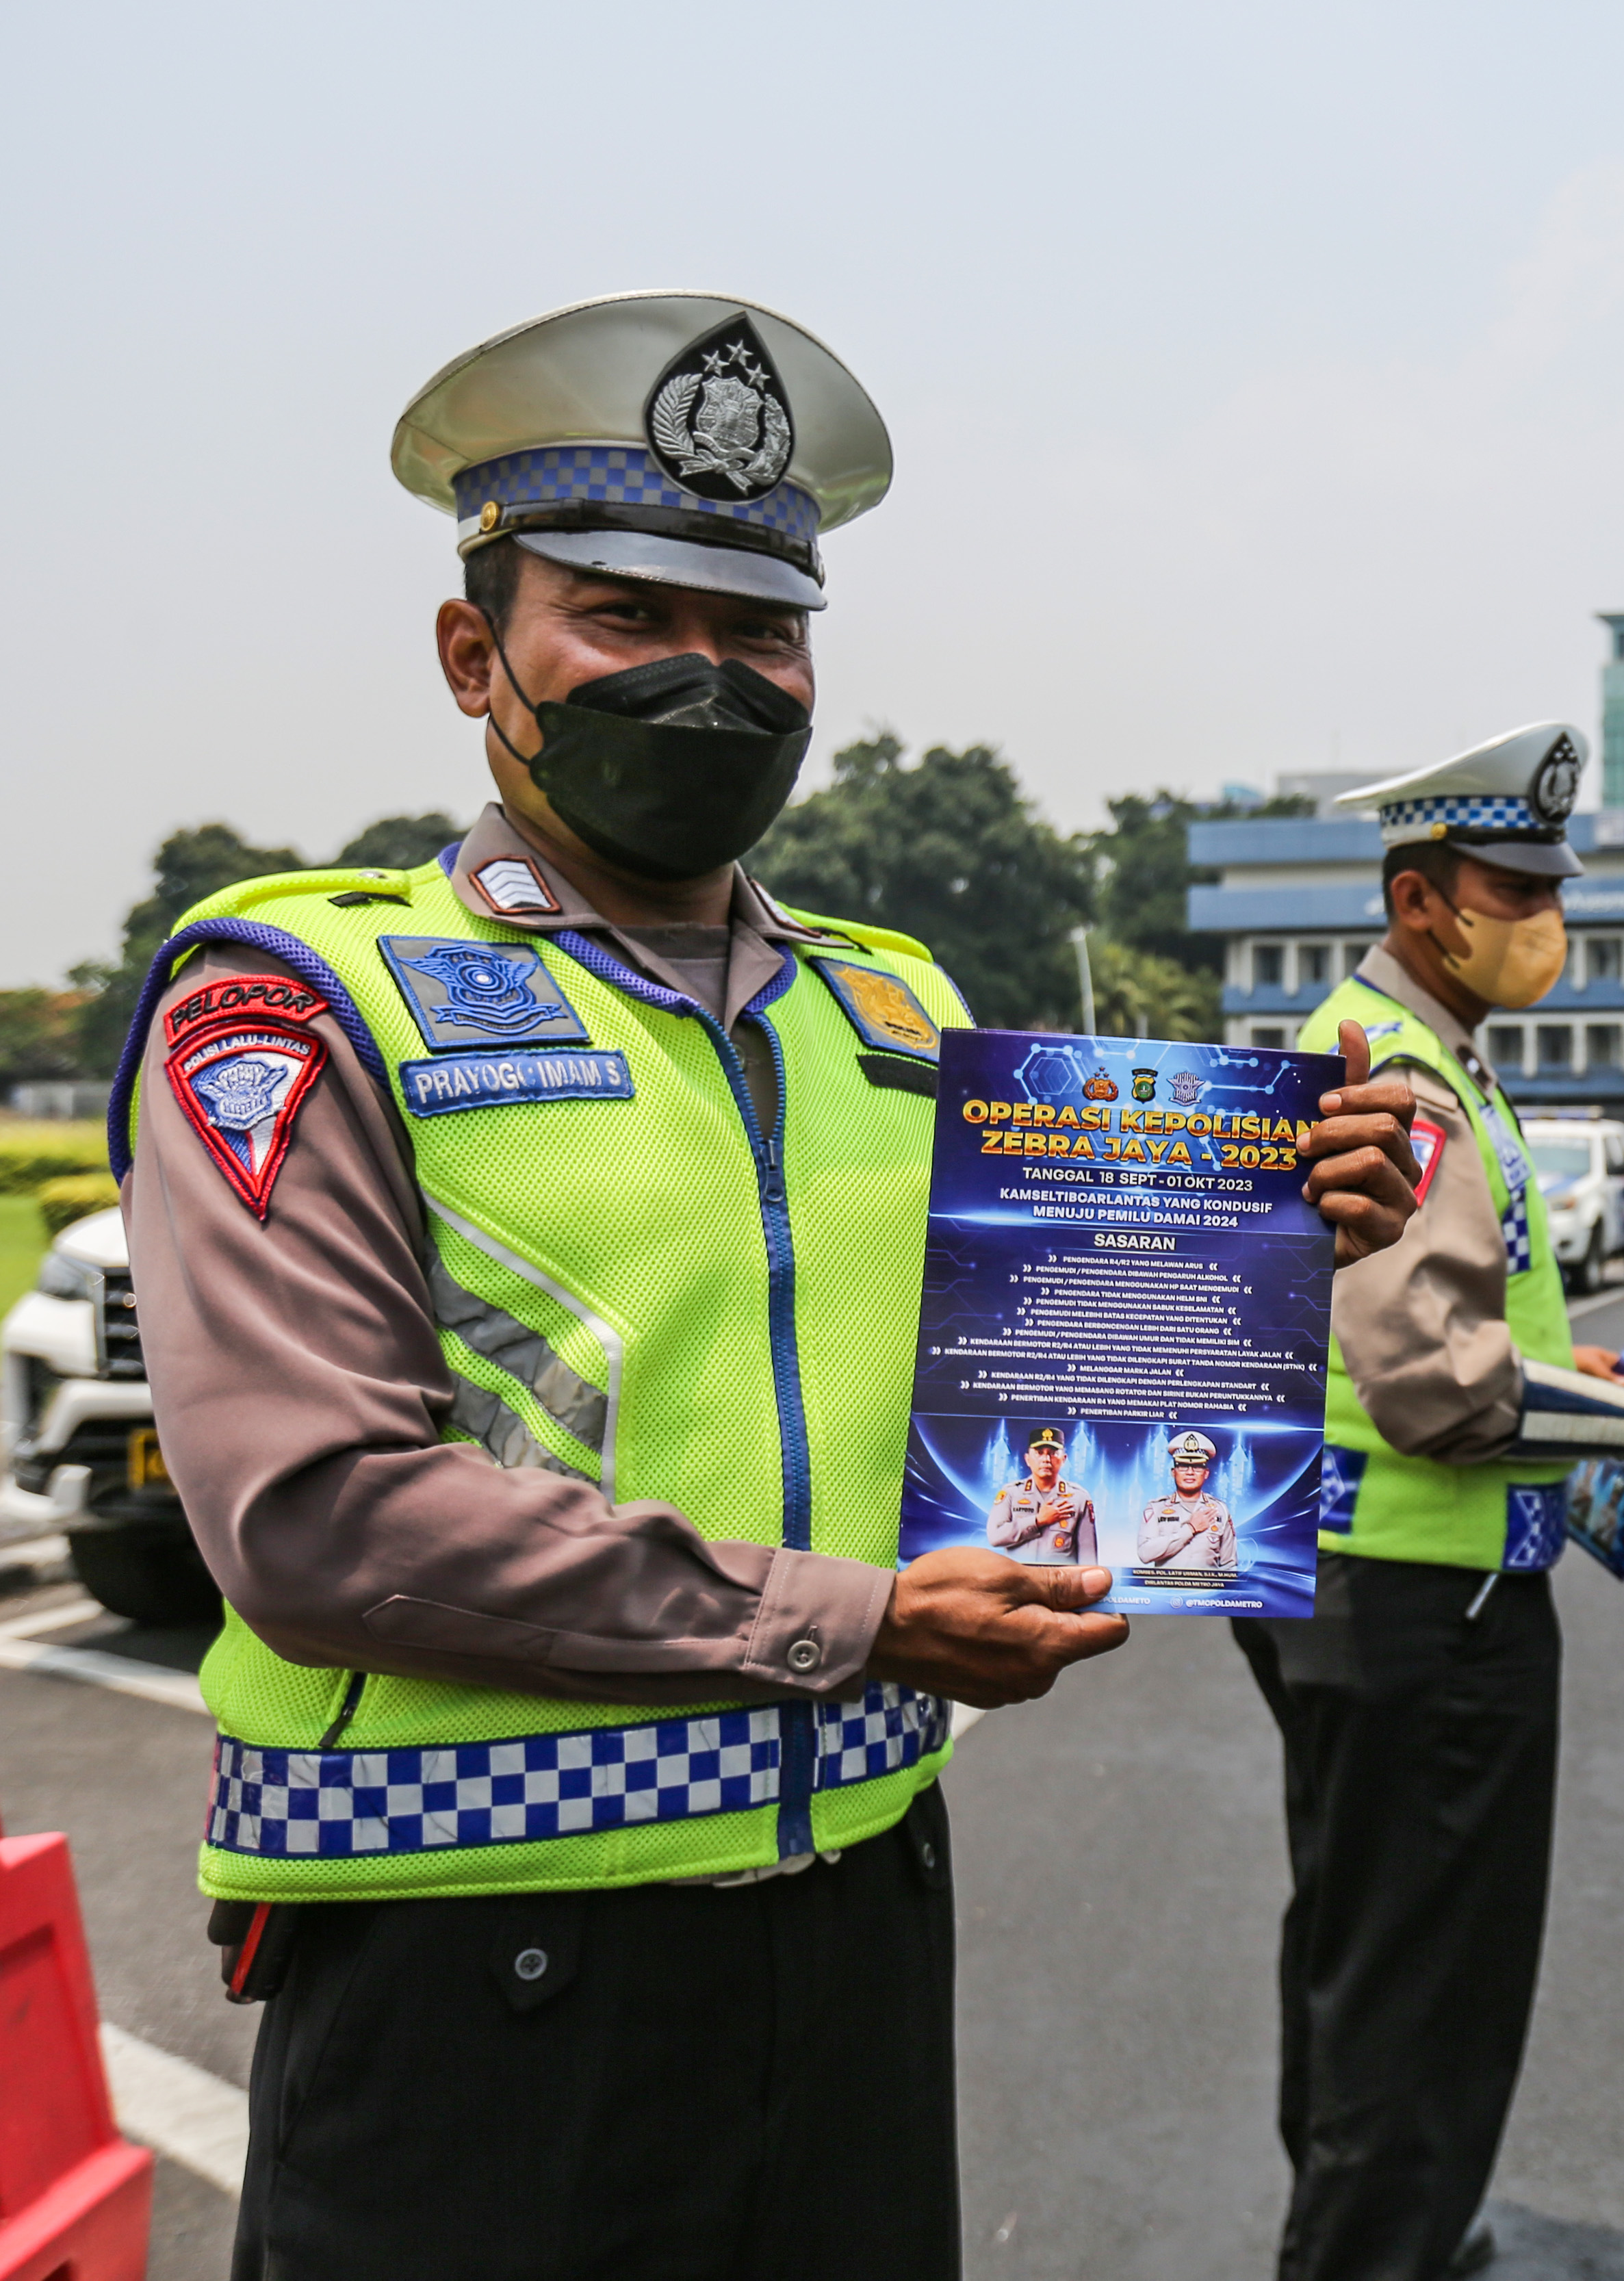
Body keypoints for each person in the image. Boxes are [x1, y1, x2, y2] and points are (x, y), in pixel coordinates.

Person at [110, 291, 1423, 2281]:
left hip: (856, 1934)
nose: (705, 677)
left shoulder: (892, 1010)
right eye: (626, 620)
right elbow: (312, 1521)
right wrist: (854, 1617)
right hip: (484, 1983)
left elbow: (1048, 1395)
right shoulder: (304, 1000)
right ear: (479, 655)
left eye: (758, 629)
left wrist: (1270, 1232)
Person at [1230, 721, 1624, 2281]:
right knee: (1422, 1998)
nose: (1544, 920)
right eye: (1512, 889)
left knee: (1367, 1960)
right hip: (1426, 1601)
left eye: (1547, 886)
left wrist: (1554, 1354)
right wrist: (1618, 1415)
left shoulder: (1418, 1054)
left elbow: (1436, 1315)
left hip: (1374, 1584)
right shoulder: (1398, 1076)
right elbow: (1430, 1384)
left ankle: (1384, 2241)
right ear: (1421, 898)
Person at [1131, 1429, 1240, 1583]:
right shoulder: (1155, 1509)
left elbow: (1229, 1566)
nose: (1190, 1472)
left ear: (1206, 1473)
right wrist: (1190, 1529)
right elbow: (1145, 1554)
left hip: (1207, 1600)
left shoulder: (1220, 1509)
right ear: (1173, 1472)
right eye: (1183, 1466)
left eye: (1197, 1467)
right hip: (1164, 1598)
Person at [990, 1425, 1101, 1569]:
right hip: (1019, 1585)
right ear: (1028, 1459)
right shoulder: (1011, 1493)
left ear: (1064, 1459)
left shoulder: (1079, 1497)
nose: (1046, 1459)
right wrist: (1037, 1521)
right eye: (1039, 1452)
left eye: (1053, 1453)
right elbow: (995, 1537)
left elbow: (1088, 1558)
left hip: (1061, 1587)